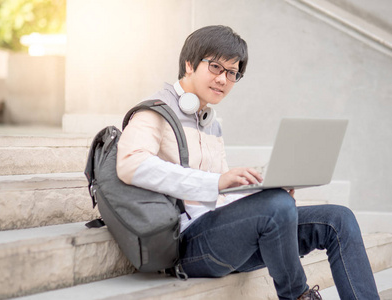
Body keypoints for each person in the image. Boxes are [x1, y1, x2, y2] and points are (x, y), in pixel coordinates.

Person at [116, 25, 379, 300]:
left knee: (338, 219)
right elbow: (131, 164)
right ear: (189, 64)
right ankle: (297, 296)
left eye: (232, 73)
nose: (223, 79)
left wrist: (261, 191)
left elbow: (221, 198)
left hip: (225, 236)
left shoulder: (208, 121)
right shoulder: (155, 112)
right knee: (276, 207)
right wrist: (218, 182)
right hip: (188, 245)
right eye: (216, 67)